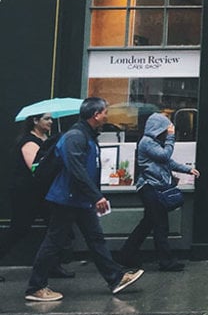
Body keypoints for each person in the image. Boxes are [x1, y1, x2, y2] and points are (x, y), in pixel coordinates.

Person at [24, 97, 144, 302]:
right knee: (54, 241)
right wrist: (96, 196)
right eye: (105, 112)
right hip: (66, 198)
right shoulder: (75, 136)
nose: (107, 115)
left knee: (95, 238)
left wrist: (92, 196)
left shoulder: (87, 135)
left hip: (79, 199)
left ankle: (115, 278)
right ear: (96, 115)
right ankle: (35, 287)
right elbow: (76, 169)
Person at [118, 113, 199, 272]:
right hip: (150, 188)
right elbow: (164, 156)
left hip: (153, 187)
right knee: (160, 225)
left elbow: (168, 162)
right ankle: (165, 261)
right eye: (164, 129)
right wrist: (170, 137)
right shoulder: (147, 142)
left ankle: (126, 255)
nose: (166, 132)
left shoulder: (153, 142)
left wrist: (188, 169)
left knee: (148, 224)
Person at [0, 113, 76, 282]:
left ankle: (52, 266)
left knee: (56, 227)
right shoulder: (29, 142)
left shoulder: (46, 139)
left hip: (42, 193)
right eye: (46, 119)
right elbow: (36, 168)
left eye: (50, 119)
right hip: (26, 193)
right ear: (35, 121)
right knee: (19, 229)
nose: (50, 122)